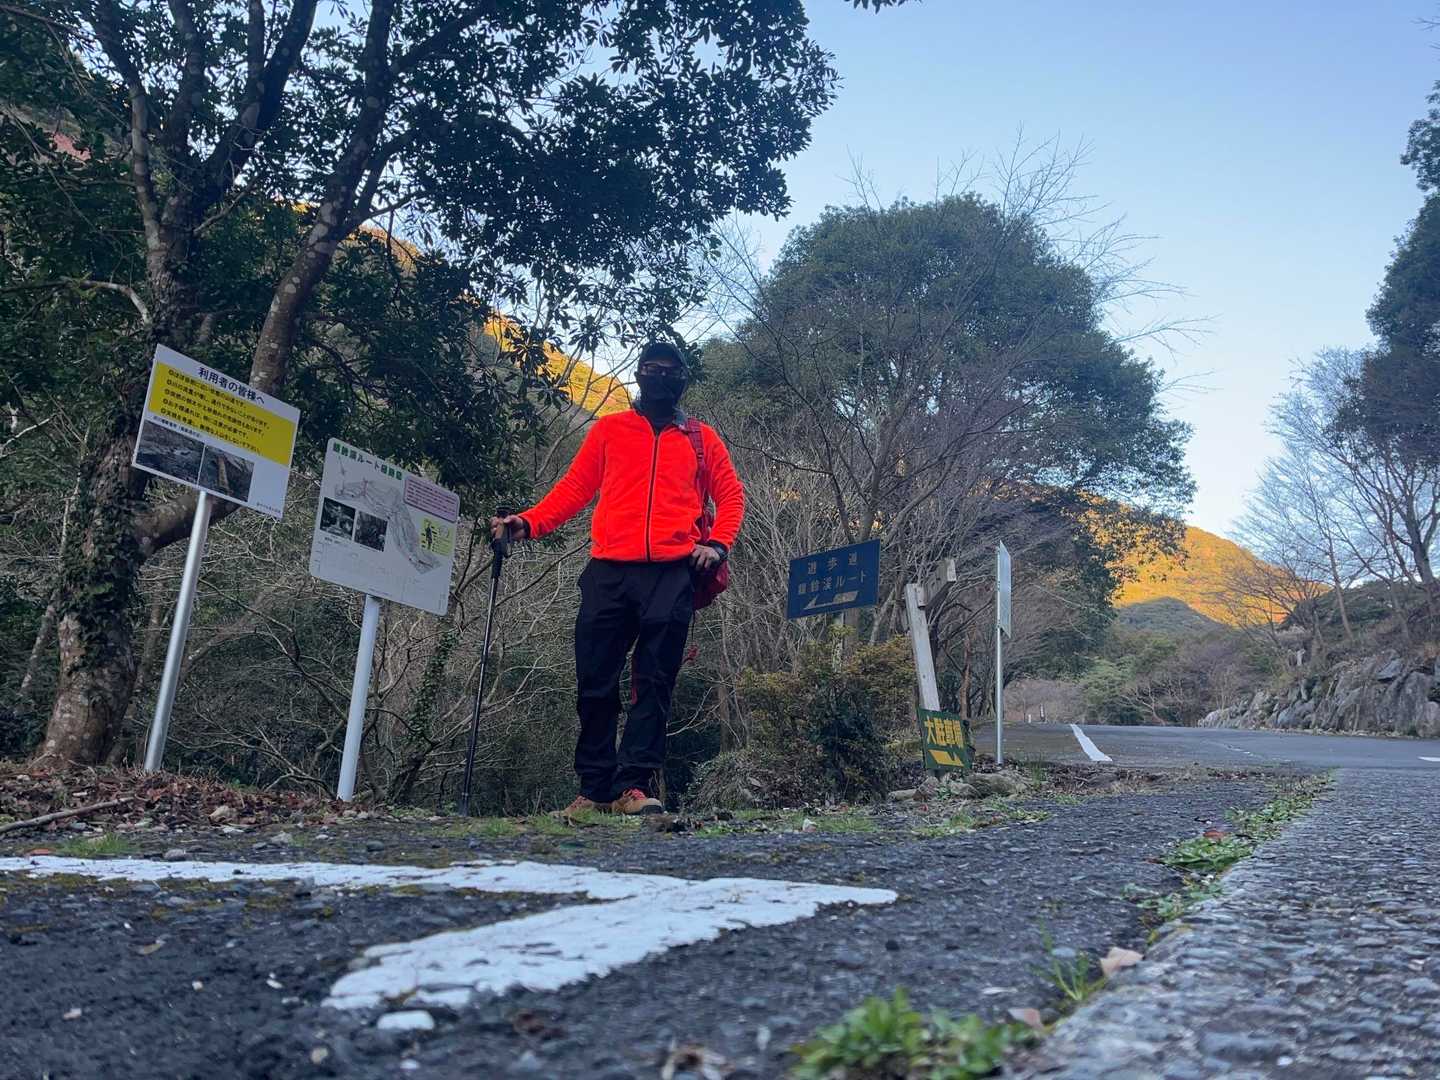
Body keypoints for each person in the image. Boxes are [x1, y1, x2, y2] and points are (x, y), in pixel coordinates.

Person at [491, 342, 744, 815]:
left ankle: (634, 786)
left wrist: (717, 545)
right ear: (639, 375)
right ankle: (594, 789)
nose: (660, 377)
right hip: (608, 570)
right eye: (651, 369)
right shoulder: (609, 430)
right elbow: (575, 488)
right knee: (595, 679)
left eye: (670, 370)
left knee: (655, 682)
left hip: (673, 571)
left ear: (682, 379)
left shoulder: (702, 439)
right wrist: (529, 522)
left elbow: (730, 496)